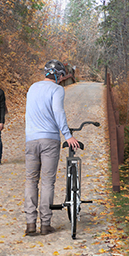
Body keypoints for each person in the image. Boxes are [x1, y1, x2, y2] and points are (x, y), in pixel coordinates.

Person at [23, 60, 79, 236]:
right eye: (61, 76)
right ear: (58, 75)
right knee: (47, 181)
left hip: (31, 140)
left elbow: (28, 113)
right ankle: (45, 224)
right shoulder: (57, 90)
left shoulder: (32, 87)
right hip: (49, 140)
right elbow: (58, 112)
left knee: (31, 180)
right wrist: (67, 136)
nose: (62, 79)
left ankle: (30, 223)